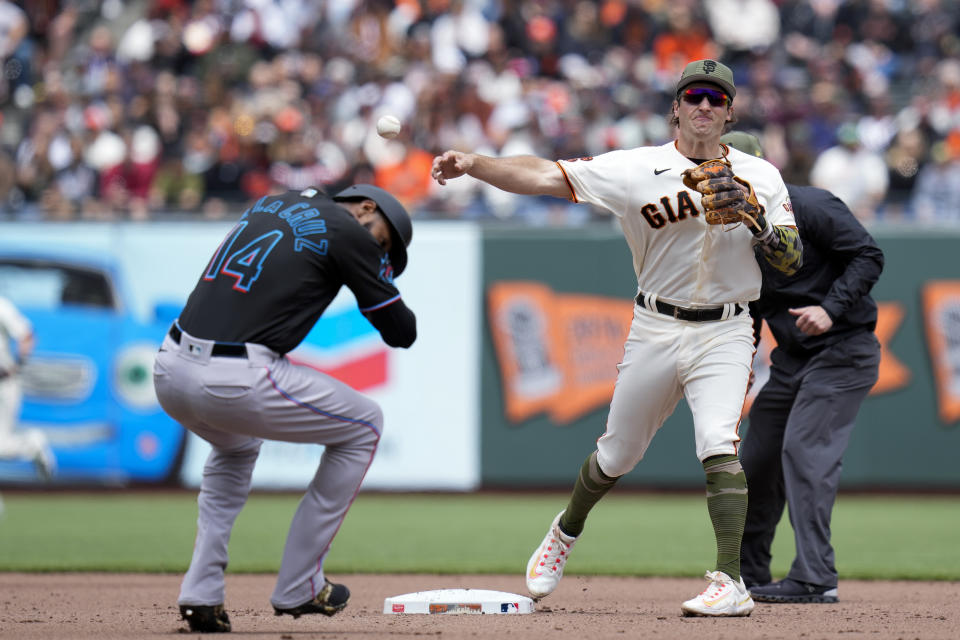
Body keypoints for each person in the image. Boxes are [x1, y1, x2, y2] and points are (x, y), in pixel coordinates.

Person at [431, 59, 803, 617]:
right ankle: (566, 529)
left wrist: (756, 218)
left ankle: (731, 581)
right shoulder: (636, 168)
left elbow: (792, 261)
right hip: (657, 324)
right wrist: (475, 164)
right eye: (694, 95)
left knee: (717, 439)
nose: (705, 105)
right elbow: (545, 176)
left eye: (717, 98)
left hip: (728, 327)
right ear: (676, 107)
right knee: (616, 452)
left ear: (730, 112)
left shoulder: (762, 176)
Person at [153, 183, 415, 633]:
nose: (377, 247)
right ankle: (300, 585)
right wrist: (375, 270)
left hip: (170, 368)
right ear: (366, 207)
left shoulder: (275, 201)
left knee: (235, 451)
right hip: (235, 377)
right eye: (382, 237)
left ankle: (201, 592)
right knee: (365, 425)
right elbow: (401, 331)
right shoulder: (349, 231)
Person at [720, 131, 884, 604]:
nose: (732, 182)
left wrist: (831, 308)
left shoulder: (809, 205)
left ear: (764, 171)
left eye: (741, 171)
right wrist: (736, 371)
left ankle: (816, 576)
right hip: (792, 361)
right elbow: (746, 311)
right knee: (755, 460)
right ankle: (746, 576)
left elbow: (868, 254)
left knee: (803, 450)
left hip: (844, 348)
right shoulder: (729, 234)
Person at [0, 294, 55, 480]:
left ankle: (34, 444)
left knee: (1, 446)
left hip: (4, 384)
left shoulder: (2, 306)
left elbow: (26, 334)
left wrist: (17, 364)